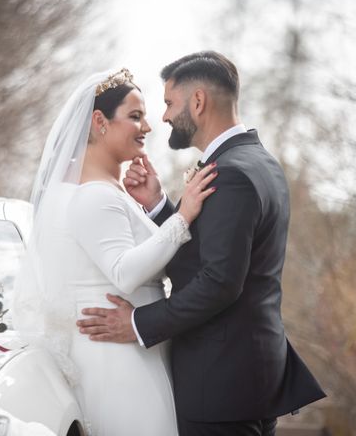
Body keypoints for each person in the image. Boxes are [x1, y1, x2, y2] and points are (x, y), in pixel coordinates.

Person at [77, 51, 327, 436]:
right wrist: (160, 207)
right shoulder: (260, 163)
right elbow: (208, 256)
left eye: (168, 103)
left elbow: (219, 282)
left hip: (220, 383)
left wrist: (137, 324)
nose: (162, 117)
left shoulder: (232, 173)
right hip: (251, 376)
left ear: (198, 102)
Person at [12, 68, 217, 436]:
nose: (148, 127)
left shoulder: (103, 190)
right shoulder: (94, 195)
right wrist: (183, 215)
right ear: (99, 122)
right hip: (119, 360)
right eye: (135, 116)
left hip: (128, 350)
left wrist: (155, 203)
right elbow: (124, 272)